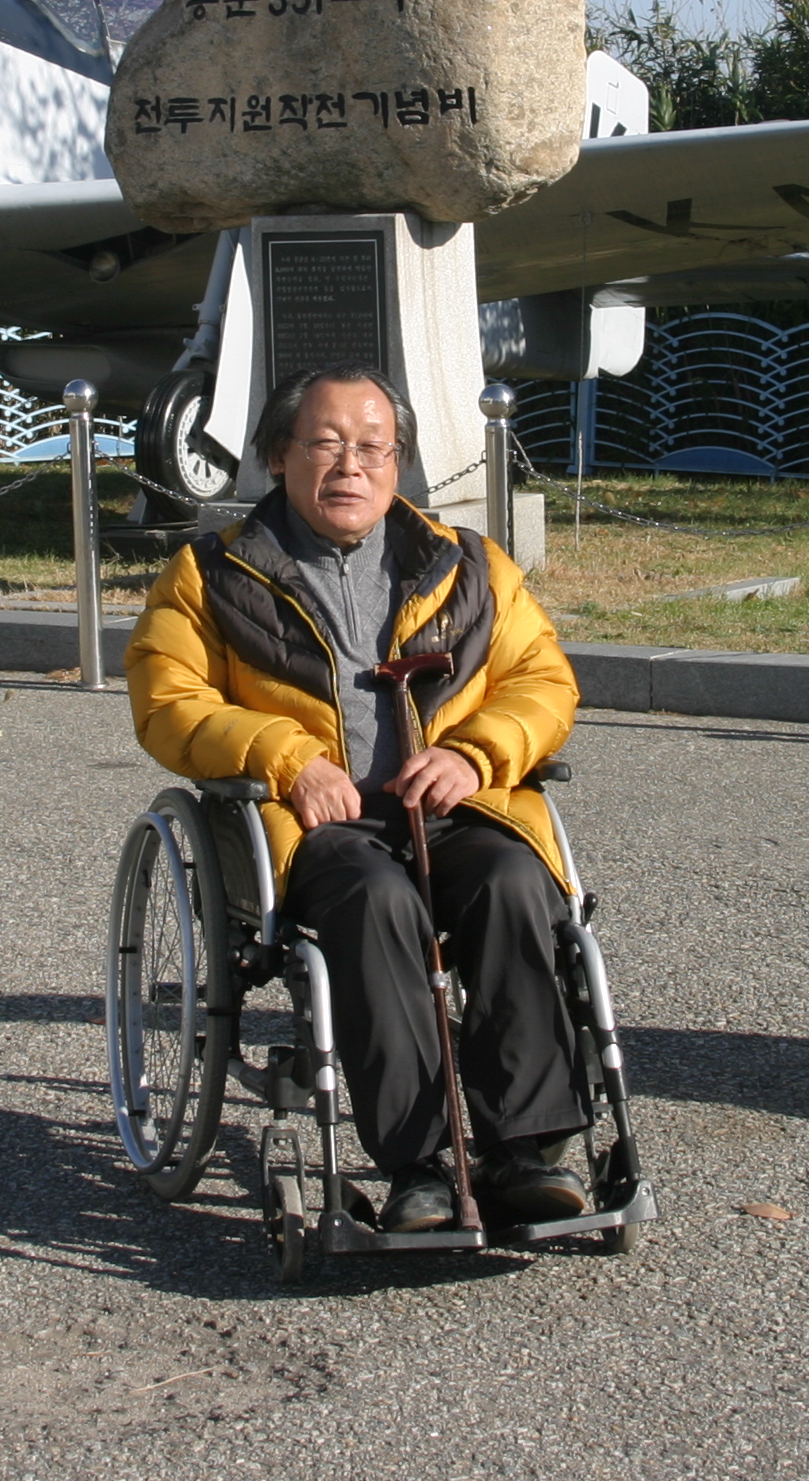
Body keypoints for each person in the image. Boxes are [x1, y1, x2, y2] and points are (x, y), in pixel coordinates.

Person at [125, 362, 588, 1232]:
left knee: (514, 883)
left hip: (451, 810)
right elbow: (167, 698)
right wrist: (286, 758)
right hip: (310, 826)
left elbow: (542, 680)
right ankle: (419, 1166)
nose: (352, 466)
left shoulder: (469, 567)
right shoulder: (210, 574)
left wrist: (475, 755)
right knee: (376, 901)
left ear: (398, 460)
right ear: (277, 455)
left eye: (374, 447)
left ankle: (525, 1151)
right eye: (327, 444)